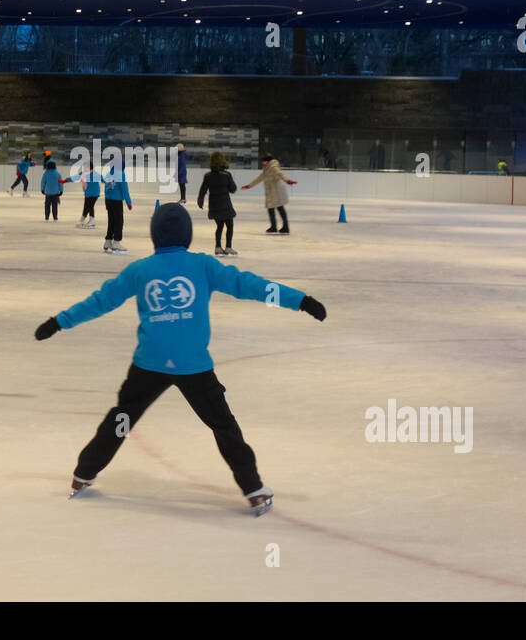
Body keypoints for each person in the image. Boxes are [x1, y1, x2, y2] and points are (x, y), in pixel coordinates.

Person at [33, 203, 327, 515]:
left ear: (154, 235)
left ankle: (84, 474)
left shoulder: (140, 270)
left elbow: (100, 302)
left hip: (149, 365)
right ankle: (253, 489)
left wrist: (59, 322)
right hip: (194, 366)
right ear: (187, 235)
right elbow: (249, 285)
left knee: (121, 420)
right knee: (223, 426)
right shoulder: (203, 266)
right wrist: (300, 301)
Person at [242, 153, 297, 234]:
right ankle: (274, 226)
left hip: (277, 192)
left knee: (279, 208)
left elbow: (280, 174)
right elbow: (259, 178)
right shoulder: (266, 169)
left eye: (263, 162)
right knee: (271, 209)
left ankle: (285, 227)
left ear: (267, 161)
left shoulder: (273, 167)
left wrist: (287, 181)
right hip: (271, 192)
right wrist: (249, 186)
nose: (262, 163)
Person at [197, 150, 238, 255]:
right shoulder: (227, 175)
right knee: (230, 224)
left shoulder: (208, 176)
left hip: (214, 205)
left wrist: (200, 201)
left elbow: (203, 190)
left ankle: (218, 247)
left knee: (219, 226)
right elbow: (233, 189)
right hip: (225, 204)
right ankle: (228, 246)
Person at [101, 153, 133, 253]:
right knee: (119, 221)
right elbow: (124, 189)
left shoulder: (109, 174)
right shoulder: (121, 174)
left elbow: (106, 188)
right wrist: (129, 202)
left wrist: (107, 199)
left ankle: (108, 241)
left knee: (111, 221)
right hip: (117, 201)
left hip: (108, 201)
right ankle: (116, 242)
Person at [63, 161, 102, 229]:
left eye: (85, 167)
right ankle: (82, 220)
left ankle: (91, 221)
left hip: (94, 193)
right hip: (88, 194)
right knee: (86, 206)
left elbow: (103, 179)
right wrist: (64, 181)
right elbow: (74, 178)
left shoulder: (95, 174)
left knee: (90, 206)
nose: (84, 168)